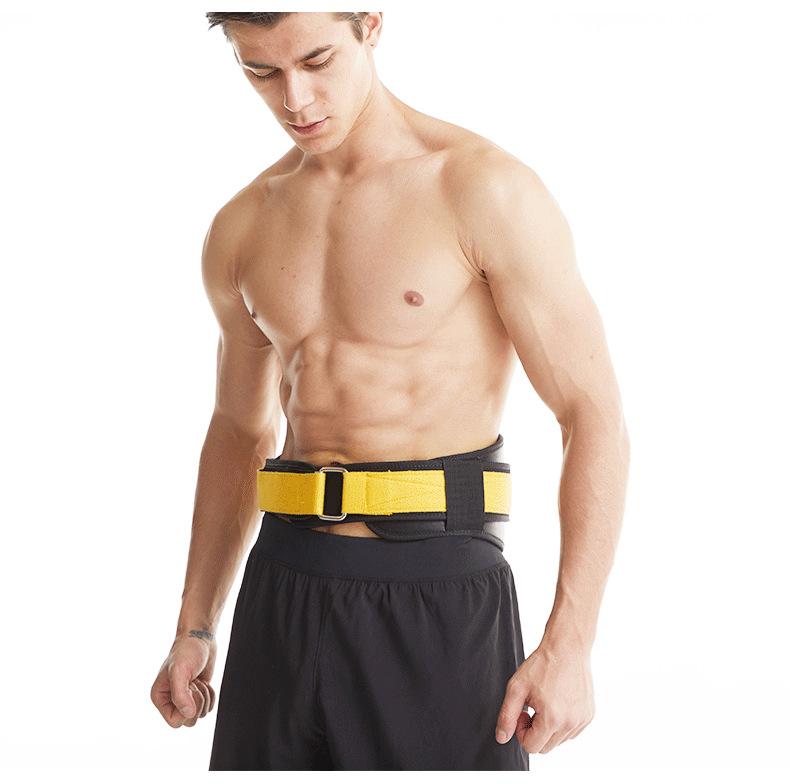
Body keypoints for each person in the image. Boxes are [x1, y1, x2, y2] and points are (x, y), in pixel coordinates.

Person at [149, 10, 630, 771]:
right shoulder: (242, 225)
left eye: (316, 60)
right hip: (283, 586)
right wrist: (196, 624)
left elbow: (591, 413)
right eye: (262, 71)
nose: (295, 99)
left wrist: (571, 643)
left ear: (370, 23)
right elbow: (239, 430)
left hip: (435, 589)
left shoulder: (481, 190)